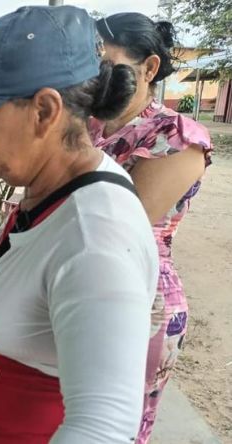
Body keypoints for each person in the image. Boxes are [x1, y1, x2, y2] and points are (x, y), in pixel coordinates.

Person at [0, 6, 159, 443]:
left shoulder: (95, 239)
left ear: (44, 111)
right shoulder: (51, 189)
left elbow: (102, 428)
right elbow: (17, 292)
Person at [91, 13, 213, 443]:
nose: (93, 76)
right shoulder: (88, 126)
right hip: (78, 284)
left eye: (106, 63)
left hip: (141, 302)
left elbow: (123, 229)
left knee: (117, 428)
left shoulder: (177, 140)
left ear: (149, 69)